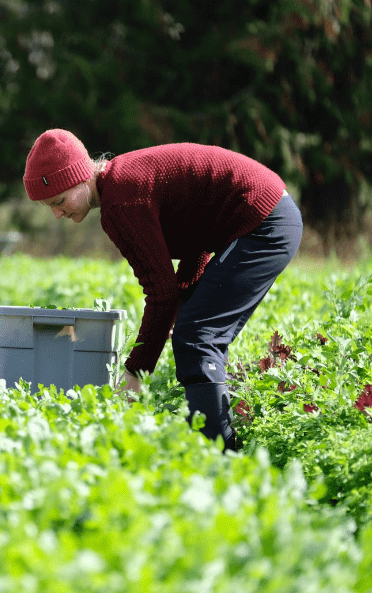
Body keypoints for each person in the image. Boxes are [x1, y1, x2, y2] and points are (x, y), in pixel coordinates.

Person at [23, 129, 303, 451]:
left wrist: (135, 372)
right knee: (194, 330)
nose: (57, 213)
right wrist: (185, 302)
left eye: (59, 201)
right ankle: (217, 448)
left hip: (262, 221)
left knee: (198, 336)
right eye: (49, 207)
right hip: (268, 213)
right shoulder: (123, 183)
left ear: (83, 175)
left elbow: (161, 293)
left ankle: (220, 457)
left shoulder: (121, 200)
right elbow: (196, 237)